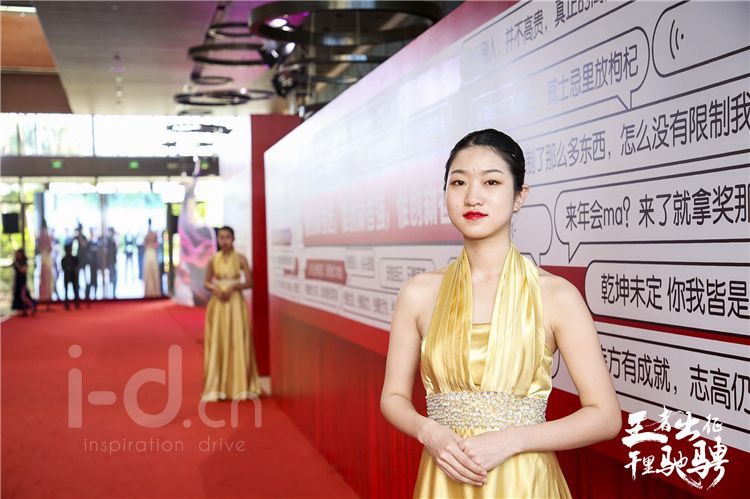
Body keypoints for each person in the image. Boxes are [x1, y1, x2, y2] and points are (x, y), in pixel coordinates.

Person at [380, 129, 622, 498]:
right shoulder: (418, 293)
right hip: (444, 478)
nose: (472, 196)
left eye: (491, 182)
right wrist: (428, 431)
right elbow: (393, 397)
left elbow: (605, 416)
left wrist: (512, 440)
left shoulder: (556, 295)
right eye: (458, 182)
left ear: (519, 196)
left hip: (526, 483)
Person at [201, 226, 260, 402]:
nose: (224, 241)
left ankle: (239, 384)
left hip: (235, 304)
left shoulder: (241, 259)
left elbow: (250, 282)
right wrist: (215, 289)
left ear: (233, 239)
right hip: (218, 304)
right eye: (221, 237)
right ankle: (218, 385)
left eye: (227, 237)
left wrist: (234, 287)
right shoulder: (213, 259)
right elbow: (206, 282)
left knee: (237, 339)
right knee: (219, 340)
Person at [11, 249, 36, 316]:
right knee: (20, 297)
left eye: (18, 254)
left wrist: (18, 265)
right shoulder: (16, 262)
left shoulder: (24, 262)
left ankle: (32, 306)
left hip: (22, 281)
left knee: (23, 296)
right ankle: (24, 310)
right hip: (17, 281)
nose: (17, 255)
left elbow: (23, 270)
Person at [142, 219, 161, 298]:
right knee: (148, 273)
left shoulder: (152, 233)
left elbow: (156, 244)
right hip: (150, 253)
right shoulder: (148, 233)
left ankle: (154, 292)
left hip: (151, 253)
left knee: (153, 272)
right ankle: (149, 292)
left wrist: (151, 245)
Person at [37, 221, 54, 303]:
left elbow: (39, 247)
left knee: (44, 277)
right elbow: (50, 248)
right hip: (46, 258)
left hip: (44, 257)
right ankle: (47, 296)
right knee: (47, 277)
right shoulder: (46, 235)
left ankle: (44, 296)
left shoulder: (40, 235)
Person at [60, 243, 80, 310]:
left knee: (75, 290)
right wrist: (68, 269)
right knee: (66, 291)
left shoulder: (74, 258)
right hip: (67, 276)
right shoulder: (63, 259)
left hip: (73, 275)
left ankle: (76, 304)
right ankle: (66, 304)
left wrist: (72, 269)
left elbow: (77, 265)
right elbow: (63, 268)